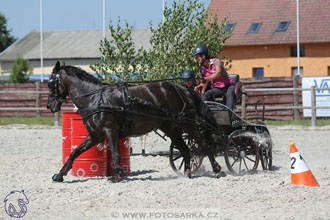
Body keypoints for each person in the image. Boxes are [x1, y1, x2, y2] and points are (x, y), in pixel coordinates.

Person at [193, 45, 235, 110]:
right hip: (217, 88)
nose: (196, 60)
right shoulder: (202, 69)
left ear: (203, 56)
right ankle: (204, 113)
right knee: (206, 94)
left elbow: (218, 73)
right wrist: (198, 86)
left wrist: (209, 78)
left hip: (228, 86)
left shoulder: (216, 61)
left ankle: (229, 114)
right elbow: (203, 83)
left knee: (230, 94)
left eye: (197, 57)